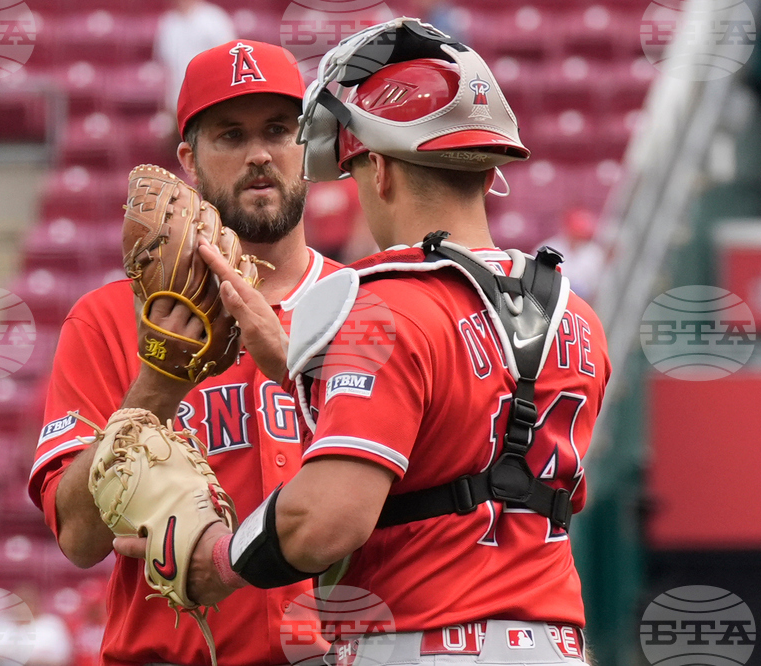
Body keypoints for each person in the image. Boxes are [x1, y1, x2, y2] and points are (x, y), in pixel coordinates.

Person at [178, 20, 610, 666]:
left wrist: (216, 560)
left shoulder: (382, 307)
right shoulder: (576, 315)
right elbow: (481, 454)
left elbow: (327, 520)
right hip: (556, 644)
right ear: (486, 171)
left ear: (378, 170)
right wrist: (294, 370)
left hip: (424, 641)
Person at [27, 40, 341, 666]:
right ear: (189, 160)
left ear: (307, 145)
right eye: (230, 135)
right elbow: (81, 538)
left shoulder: (369, 309)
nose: (259, 154)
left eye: (278, 130)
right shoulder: (107, 319)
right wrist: (157, 385)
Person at [154, 0, 235, 122]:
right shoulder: (168, 22)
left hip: (209, 98)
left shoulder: (214, 18)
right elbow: (165, 66)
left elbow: (228, 58)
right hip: (178, 101)